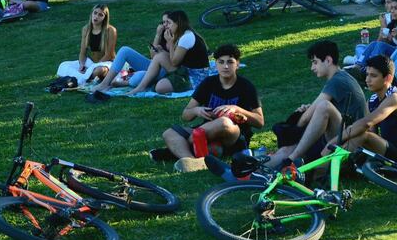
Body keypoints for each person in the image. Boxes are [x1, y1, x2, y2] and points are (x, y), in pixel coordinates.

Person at [158, 44, 265, 172]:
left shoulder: (246, 86)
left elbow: (260, 122)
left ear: (237, 64)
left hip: (234, 136)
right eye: (221, 62)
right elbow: (186, 115)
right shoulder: (209, 83)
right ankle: (194, 162)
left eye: (230, 62)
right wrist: (197, 110)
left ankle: (178, 149)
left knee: (224, 122)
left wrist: (237, 109)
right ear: (216, 64)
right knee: (169, 133)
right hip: (205, 132)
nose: (225, 66)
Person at [265, 41, 368, 169]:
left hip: (349, 140)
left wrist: (293, 127)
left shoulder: (337, 80)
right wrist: (309, 110)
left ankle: (292, 158)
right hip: (343, 133)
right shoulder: (341, 77)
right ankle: (253, 168)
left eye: (315, 62)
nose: (312, 68)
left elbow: (305, 119)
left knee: (324, 106)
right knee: (285, 150)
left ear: (328, 60)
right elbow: (314, 110)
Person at [324, 55, 397, 169]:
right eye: (367, 75)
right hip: (387, 149)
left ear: (388, 78)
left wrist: (333, 142)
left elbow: (366, 123)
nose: (367, 80)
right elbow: (371, 131)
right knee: (359, 134)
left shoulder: (395, 98)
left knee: (363, 135)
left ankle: (321, 169)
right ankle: (327, 166)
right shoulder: (372, 100)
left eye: (373, 76)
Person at [95, 10, 209, 96]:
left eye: (168, 22)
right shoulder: (169, 34)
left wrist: (170, 43)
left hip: (187, 74)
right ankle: (107, 83)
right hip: (170, 69)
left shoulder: (183, 36)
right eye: (164, 22)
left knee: (140, 80)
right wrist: (158, 36)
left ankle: (134, 85)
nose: (166, 25)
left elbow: (174, 62)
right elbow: (153, 57)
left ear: (177, 23)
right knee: (125, 51)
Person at [55, 4, 118, 84]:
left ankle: (79, 78)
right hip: (92, 62)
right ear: (91, 13)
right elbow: (83, 52)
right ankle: (83, 77)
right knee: (63, 65)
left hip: (106, 62)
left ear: (104, 18)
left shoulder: (111, 30)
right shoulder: (86, 29)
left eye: (100, 15)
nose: (96, 16)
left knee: (99, 70)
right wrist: (82, 65)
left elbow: (109, 54)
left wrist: (93, 67)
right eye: (95, 13)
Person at [355, 0, 397, 69]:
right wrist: (385, 29)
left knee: (379, 45)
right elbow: (381, 40)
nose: (392, 11)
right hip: (391, 51)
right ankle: (358, 64)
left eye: (396, 8)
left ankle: (370, 67)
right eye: (391, 8)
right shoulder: (394, 23)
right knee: (372, 44)